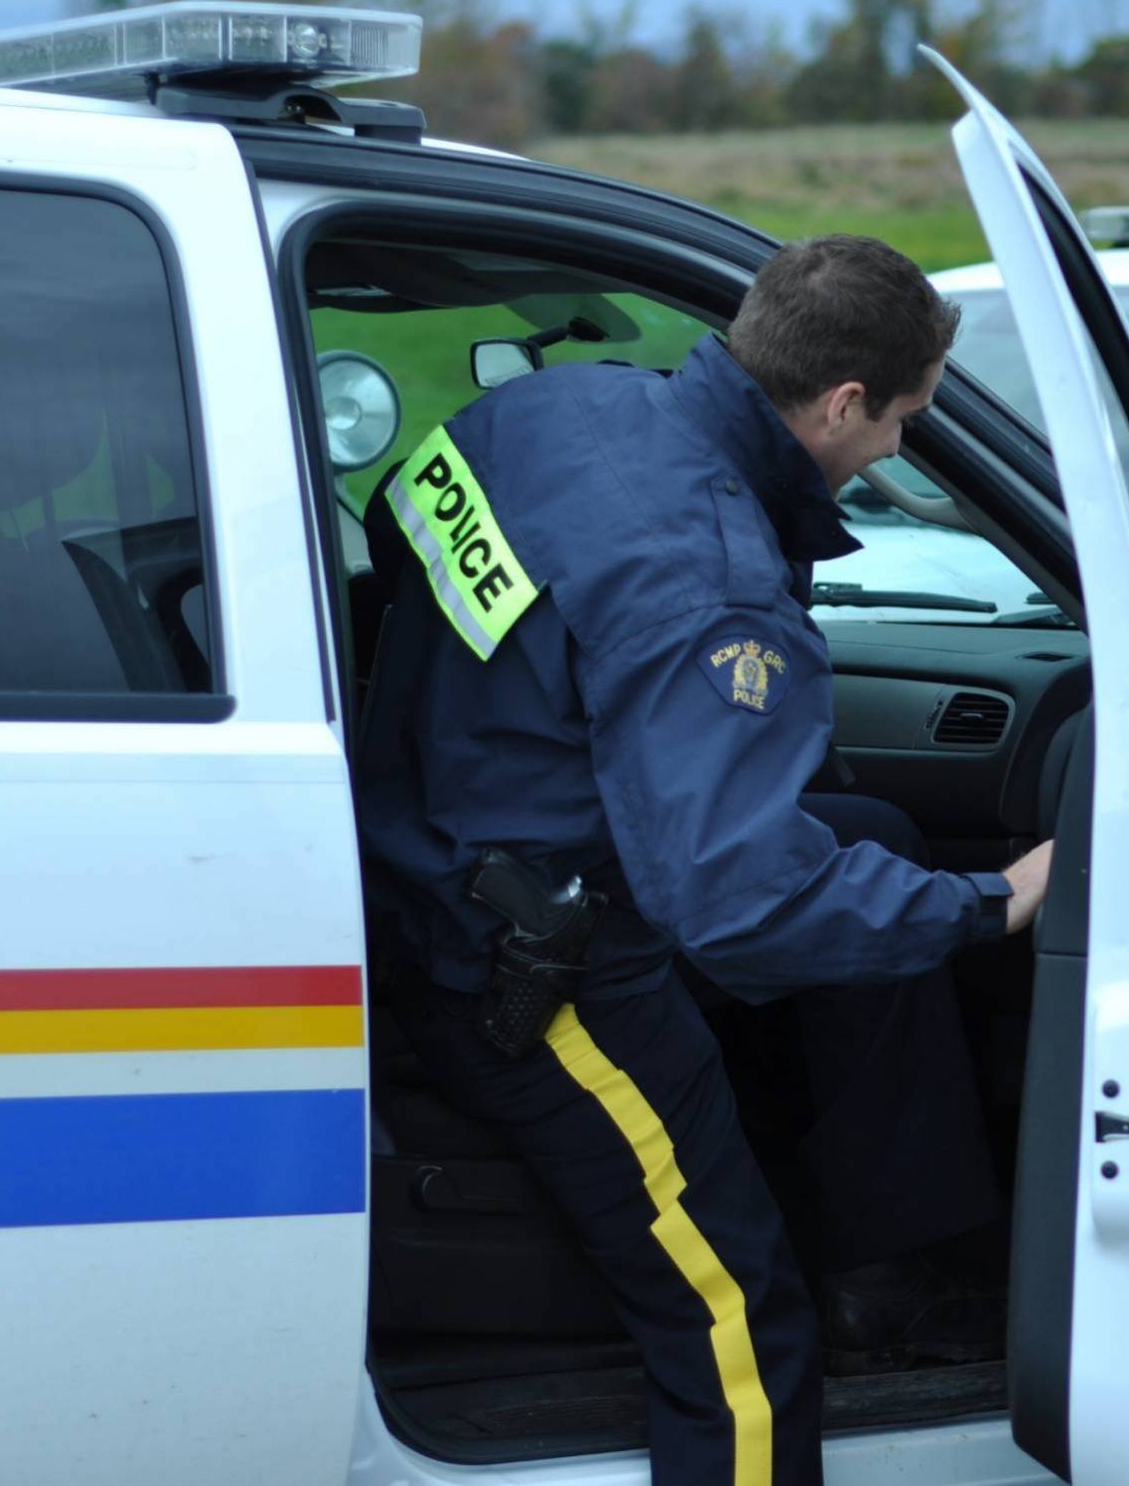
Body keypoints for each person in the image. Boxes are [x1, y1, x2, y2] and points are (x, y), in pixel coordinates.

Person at [355, 234, 1054, 1486]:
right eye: (902, 420)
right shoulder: (709, 585)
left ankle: (895, 1267)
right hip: (527, 970)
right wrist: (999, 897)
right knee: (736, 1324)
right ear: (842, 403)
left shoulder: (549, 407)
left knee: (876, 838)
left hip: (430, 841)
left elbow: (389, 519)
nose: (897, 447)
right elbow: (737, 905)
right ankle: (823, 1299)